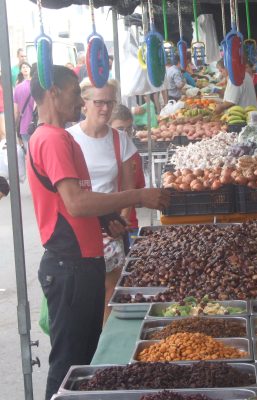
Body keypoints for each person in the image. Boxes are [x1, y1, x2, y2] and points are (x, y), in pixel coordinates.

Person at [27, 65, 169, 400]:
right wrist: (137, 195)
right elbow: (75, 204)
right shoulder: (53, 139)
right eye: (76, 92)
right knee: (69, 366)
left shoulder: (58, 137)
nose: (81, 99)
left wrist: (104, 217)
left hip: (83, 263)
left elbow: (67, 200)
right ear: (53, 93)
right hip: (70, 266)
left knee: (84, 359)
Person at [67, 78, 138, 325]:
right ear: (84, 103)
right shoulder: (68, 139)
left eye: (109, 102)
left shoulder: (120, 140)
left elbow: (130, 189)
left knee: (109, 296)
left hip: (111, 231)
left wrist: (122, 221)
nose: (105, 108)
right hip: (78, 230)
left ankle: (101, 348)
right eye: (99, 102)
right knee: (82, 298)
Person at [109, 104, 146, 240]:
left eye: (128, 129)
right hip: (106, 225)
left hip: (129, 225)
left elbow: (136, 190)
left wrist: (124, 218)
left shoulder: (133, 155)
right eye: (119, 129)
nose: (124, 134)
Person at [14, 63, 35, 149]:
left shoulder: (17, 88)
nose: (25, 68)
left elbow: (16, 111)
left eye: (26, 66)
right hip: (37, 125)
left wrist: (15, 125)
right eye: (24, 67)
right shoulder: (36, 85)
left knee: (29, 156)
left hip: (24, 127)